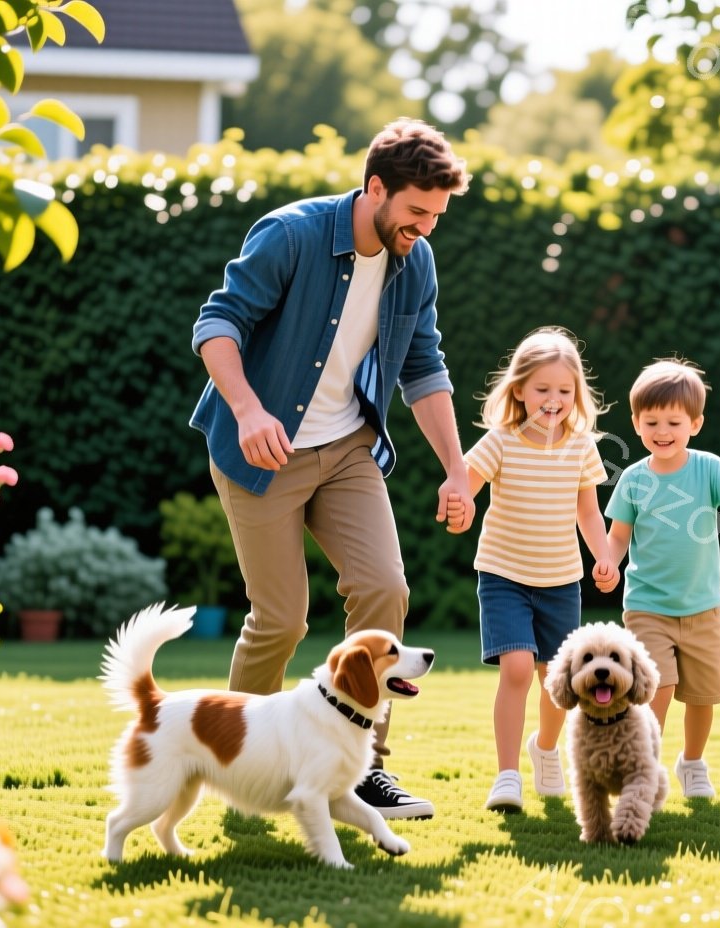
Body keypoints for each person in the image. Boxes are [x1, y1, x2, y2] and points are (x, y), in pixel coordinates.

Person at [190, 117, 473, 821]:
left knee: (384, 588)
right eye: (416, 212)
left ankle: (364, 767)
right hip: (262, 449)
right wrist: (249, 411)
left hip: (347, 448)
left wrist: (457, 470)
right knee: (281, 620)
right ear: (375, 187)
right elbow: (217, 324)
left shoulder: (416, 261)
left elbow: (424, 365)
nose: (425, 229)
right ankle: (242, 764)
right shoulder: (291, 235)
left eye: (436, 217)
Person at [599, 359, 720, 799]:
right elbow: (618, 536)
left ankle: (692, 763)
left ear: (695, 424)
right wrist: (609, 561)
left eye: (674, 422)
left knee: (702, 697)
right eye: (651, 422)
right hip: (647, 608)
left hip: (702, 608)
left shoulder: (708, 468)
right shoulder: (633, 479)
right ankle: (644, 768)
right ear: (636, 423)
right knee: (657, 688)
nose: (662, 431)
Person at [464, 327, 616, 813]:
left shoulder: (581, 446)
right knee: (516, 669)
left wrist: (604, 555)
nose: (554, 400)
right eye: (542, 389)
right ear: (519, 391)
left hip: (560, 581)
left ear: (577, 394)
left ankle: (545, 748)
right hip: (503, 575)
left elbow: (588, 513)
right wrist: (457, 503)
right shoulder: (500, 442)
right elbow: (463, 485)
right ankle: (507, 776)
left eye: (564, 391)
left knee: (557, 680)